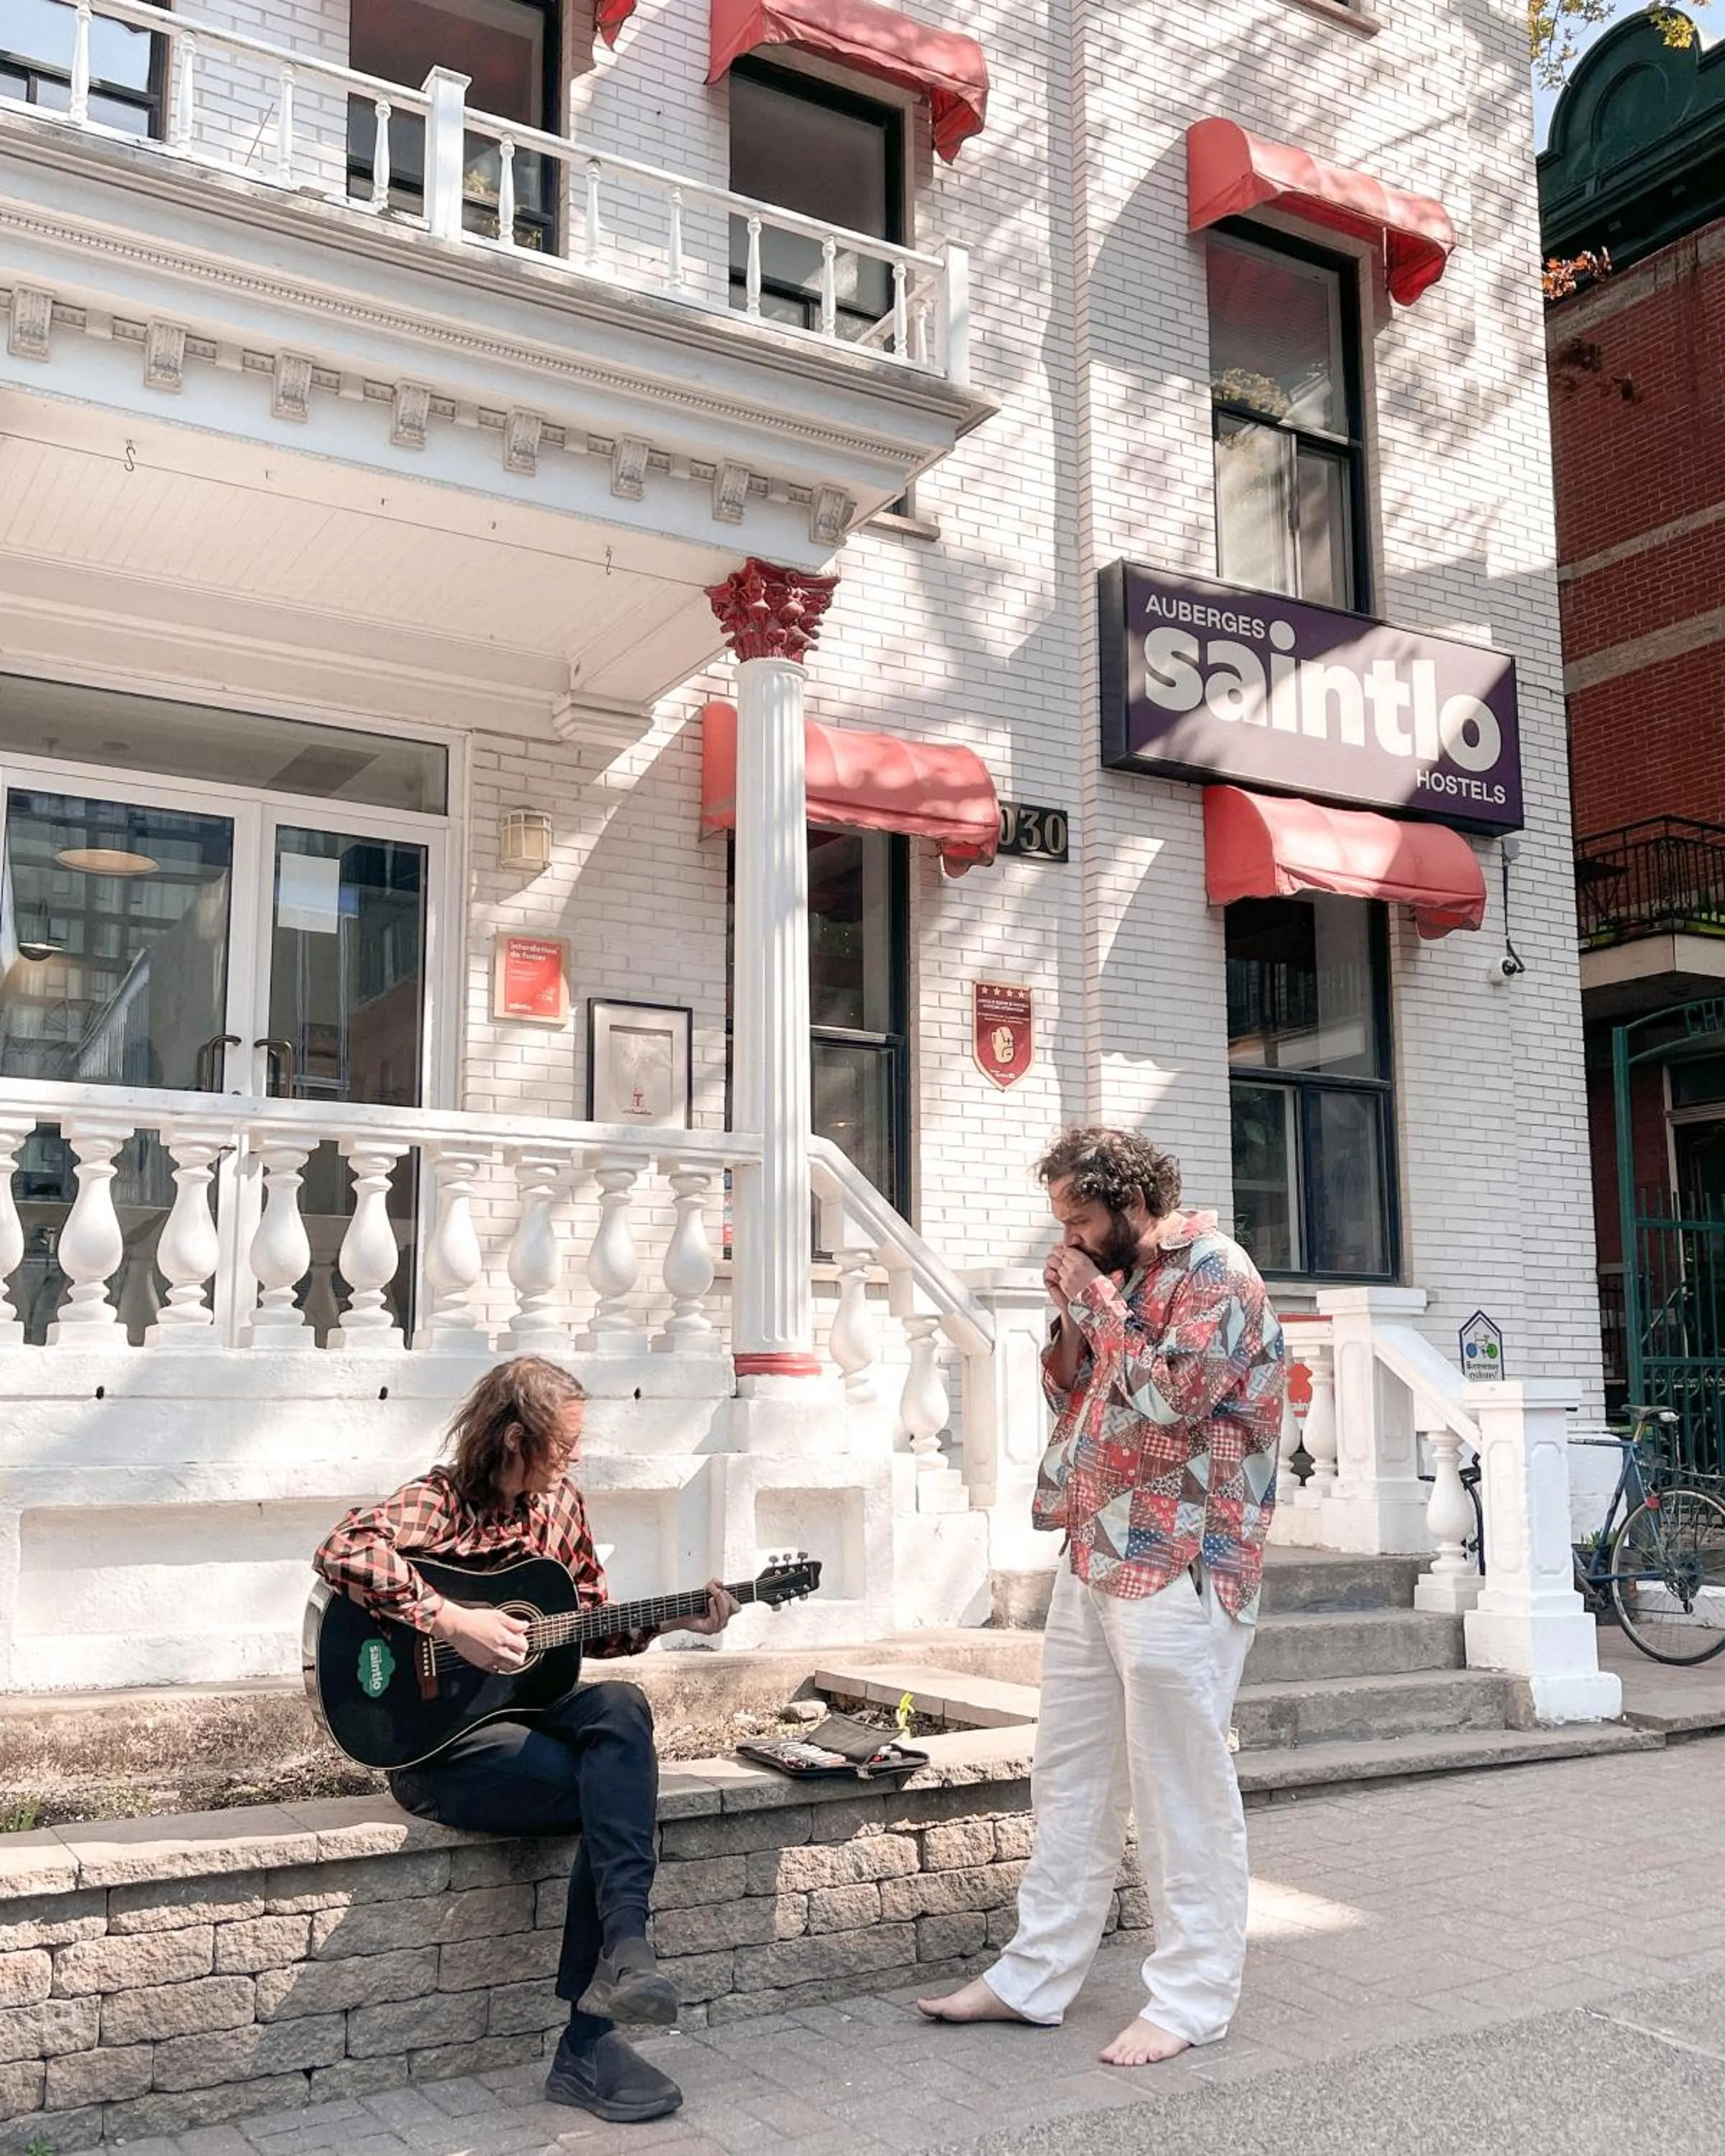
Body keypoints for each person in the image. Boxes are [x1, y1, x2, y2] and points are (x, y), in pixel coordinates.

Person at [917, 1127, 1284, 2066]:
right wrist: (1078, 1317)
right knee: (1071, 1772)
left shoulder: (1217, 1271)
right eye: (1062, 1222)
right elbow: (1080, 1398)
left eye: (1079, 1217)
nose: (1069, 1235)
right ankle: (1034, 1975)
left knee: (1178, 1782)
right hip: (1098, 1547)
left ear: (1130, 1203)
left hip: (1187, 1559)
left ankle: (1194, 1996)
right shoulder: (1118, 1284)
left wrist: (1096, 1299)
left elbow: (1171, 1400)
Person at [313, 1354, 737, 2126]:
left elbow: (590, 1633)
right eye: (563, 1444)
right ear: (514, 1439)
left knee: (621, 1710)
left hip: (528, 1716)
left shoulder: (561, 1506)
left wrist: (678, 1617)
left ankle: (628, 1950)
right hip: (439, 1748)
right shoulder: (439, 1503)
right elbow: (343, 1551)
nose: (574, 1458)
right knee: (606, 1791)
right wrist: (453, 1621)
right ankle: (590, 2039)